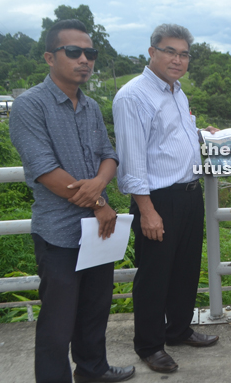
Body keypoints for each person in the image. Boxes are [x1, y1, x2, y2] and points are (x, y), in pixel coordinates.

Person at [9, 19, 135, 383]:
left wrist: (98, 182)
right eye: (74, 52)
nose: (85, 60)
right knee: (58, 320)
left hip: (98, 230)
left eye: (90, 53)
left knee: (95, 309)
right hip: (59, 233)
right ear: (50, 57)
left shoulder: (92, 107)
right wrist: (99, 203)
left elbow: (109, 155)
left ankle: (93, 369)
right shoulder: (30, 106)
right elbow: (45, 170)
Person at [113, 24, 219, 374]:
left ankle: (177, 330)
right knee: (154, 275)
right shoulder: (134, 95)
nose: (178, 59)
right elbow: (132, 160)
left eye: (184, 53)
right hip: (157, 199)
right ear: (152, 52)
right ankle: (149, 345)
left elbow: (173, 136)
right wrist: (146, 210)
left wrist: (204, 135)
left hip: (190, 194)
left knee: (185, 270)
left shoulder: (177, 92)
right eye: (170, 51)